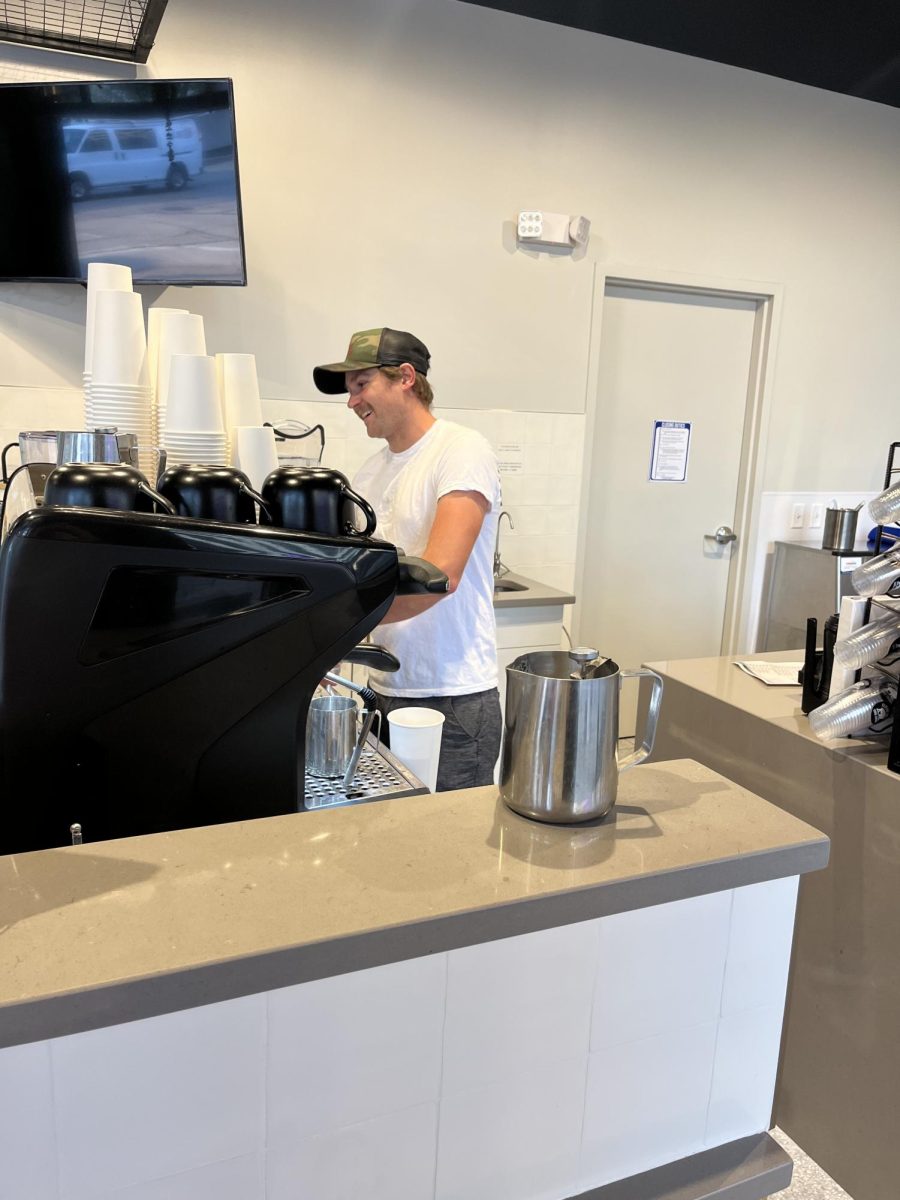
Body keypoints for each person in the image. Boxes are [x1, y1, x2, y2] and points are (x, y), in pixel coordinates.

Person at [313, 327, 502, 790]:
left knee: (451, 847)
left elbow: (440, 576)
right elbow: (354, 579)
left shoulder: (461, 450)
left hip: (452, 697)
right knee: (395, 847)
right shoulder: (370, 473)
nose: (352, 401)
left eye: (361, 385)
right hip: (383, 691)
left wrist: (334, 632)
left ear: (405, 377)